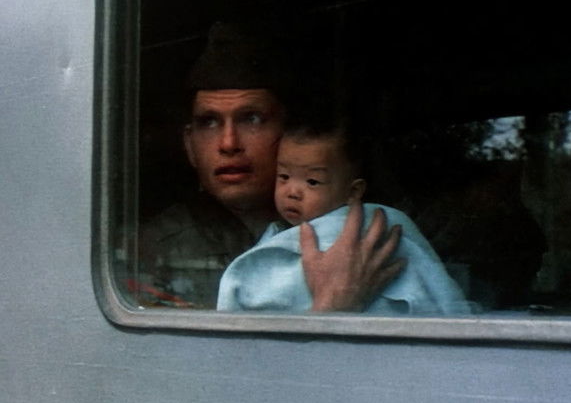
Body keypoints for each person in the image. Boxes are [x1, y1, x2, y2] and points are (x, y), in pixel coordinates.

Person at [137, 22, 403, 310]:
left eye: (252, 119)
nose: (228, 143)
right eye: (209, 122)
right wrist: (335, 307)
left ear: (291, 135)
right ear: (190, 145)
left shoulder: (362, 227)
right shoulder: (154, 249)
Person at [216, 117, 472, 314]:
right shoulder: (279, 234)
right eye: (284, 176)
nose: (292, 192)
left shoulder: (365, 227)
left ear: (353, 192)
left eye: (312, 181)